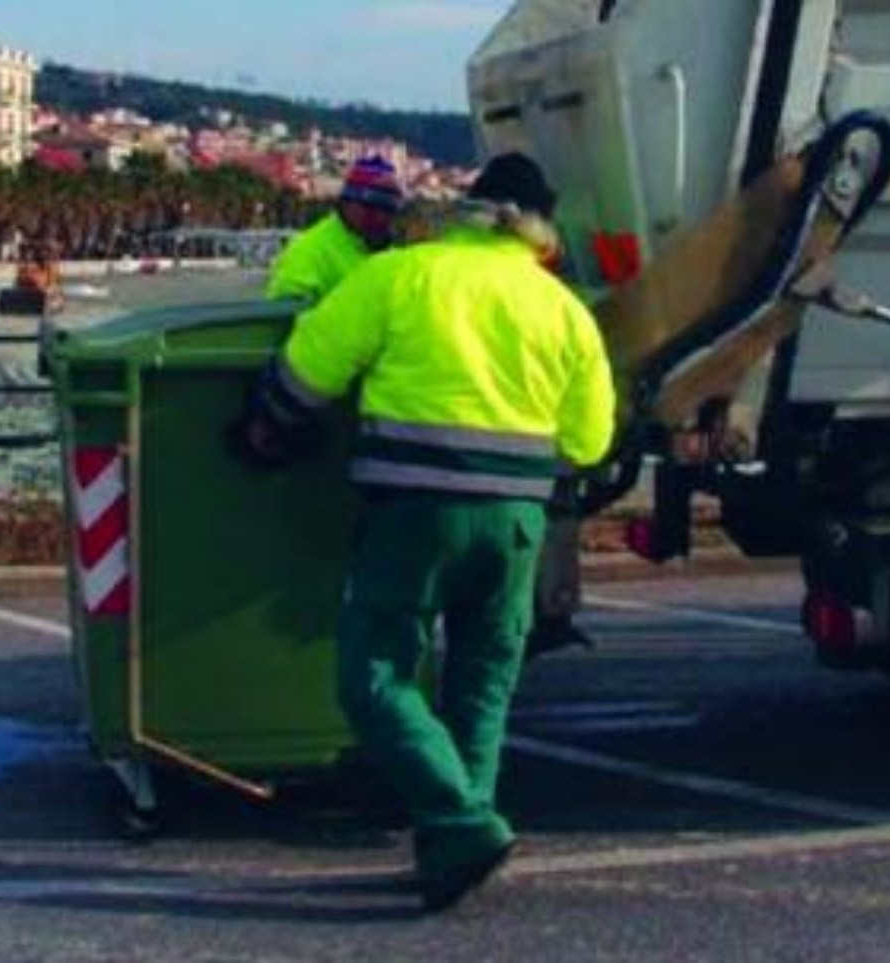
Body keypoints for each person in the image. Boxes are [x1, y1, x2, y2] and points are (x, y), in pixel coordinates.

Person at [239, 153, 616, 912]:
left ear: (468, 212)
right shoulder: (562, 308)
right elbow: (588, 442)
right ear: (537, 230)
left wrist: (265, 429)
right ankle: (454, 839)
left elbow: (307, 370)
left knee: (373, 674)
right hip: (514, 523)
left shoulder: (402, 275)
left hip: (411, 512)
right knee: (482, 679)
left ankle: (459, 821)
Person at [266, 155, 404, 303]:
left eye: (389, 210)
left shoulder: (390, 253)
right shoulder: (310, 252)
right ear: (349, 203)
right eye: (374, 207)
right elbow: (284, 314)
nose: (382, 217)